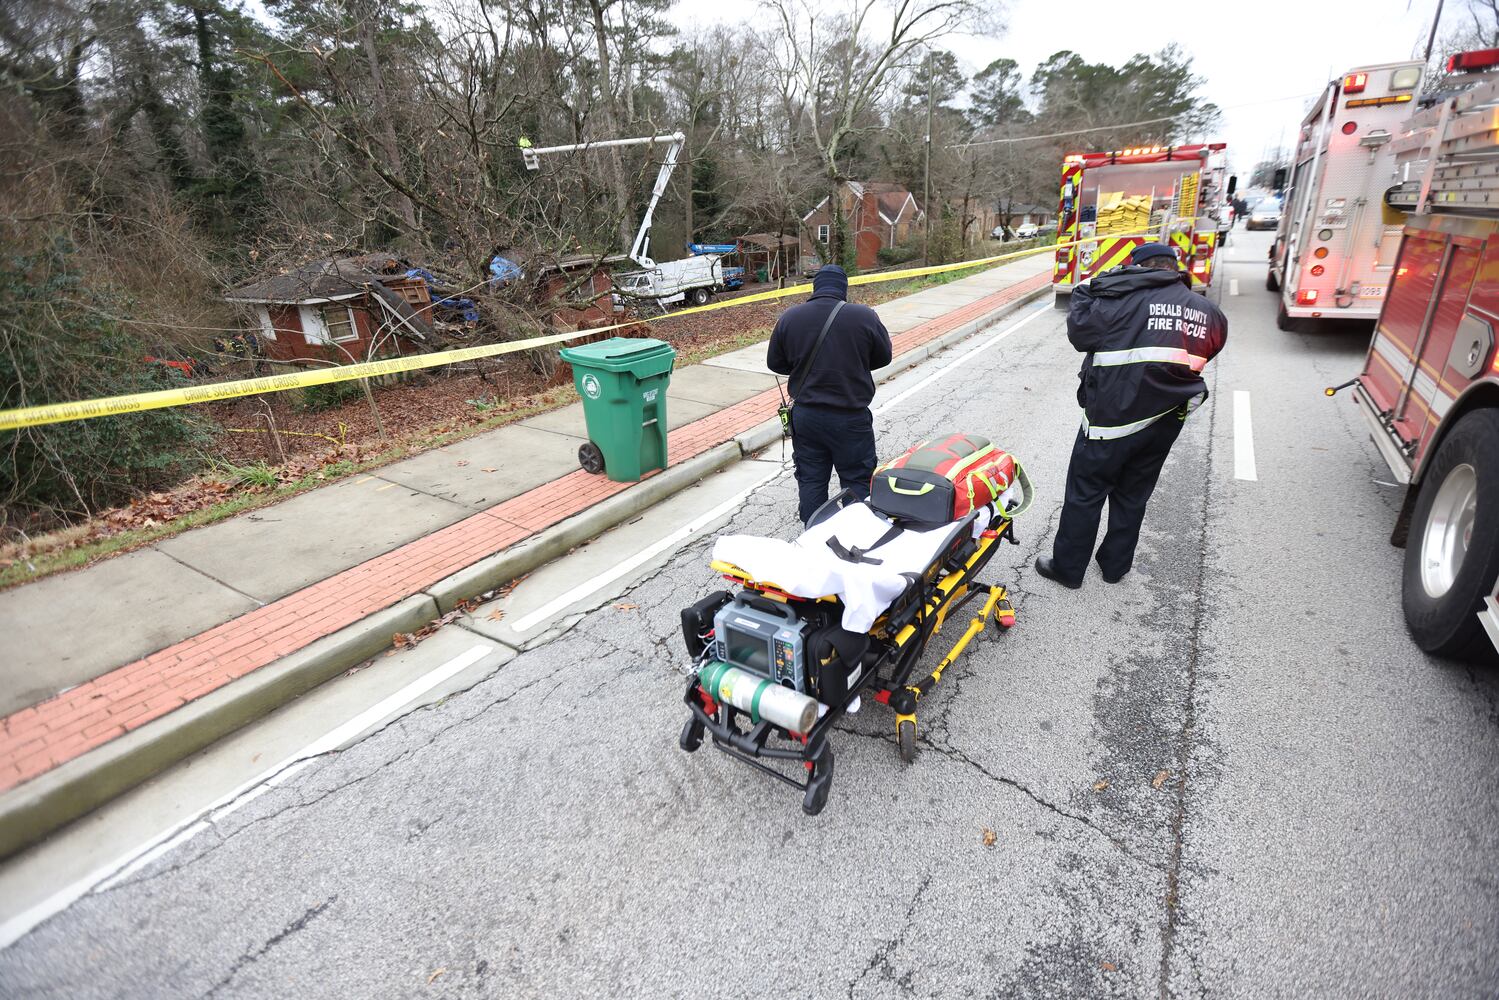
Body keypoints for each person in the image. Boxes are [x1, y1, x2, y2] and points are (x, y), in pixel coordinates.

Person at [1035, 242, 1228, 589]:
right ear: (1175, 268)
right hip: (1165, 420)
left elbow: (1079, 332)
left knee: (1086, 492)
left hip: (1111, 419)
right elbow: (1208, 350)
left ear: (1137, 269)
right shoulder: (1207, 312)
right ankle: (1114, 567)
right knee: (1133, 494)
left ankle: (1068, 569)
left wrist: (1092, 285)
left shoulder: (1115, 301)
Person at [768, 265, 893, 524]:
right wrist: (854, 362)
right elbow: (884, 356)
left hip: (807, 417)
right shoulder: (864, 316)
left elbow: (775, 364)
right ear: (843, 289)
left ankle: (814, 535)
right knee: (857, 479)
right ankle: (857, 536)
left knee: (811, 478)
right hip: (850, 418)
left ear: (815, 288)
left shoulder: (790, 317)